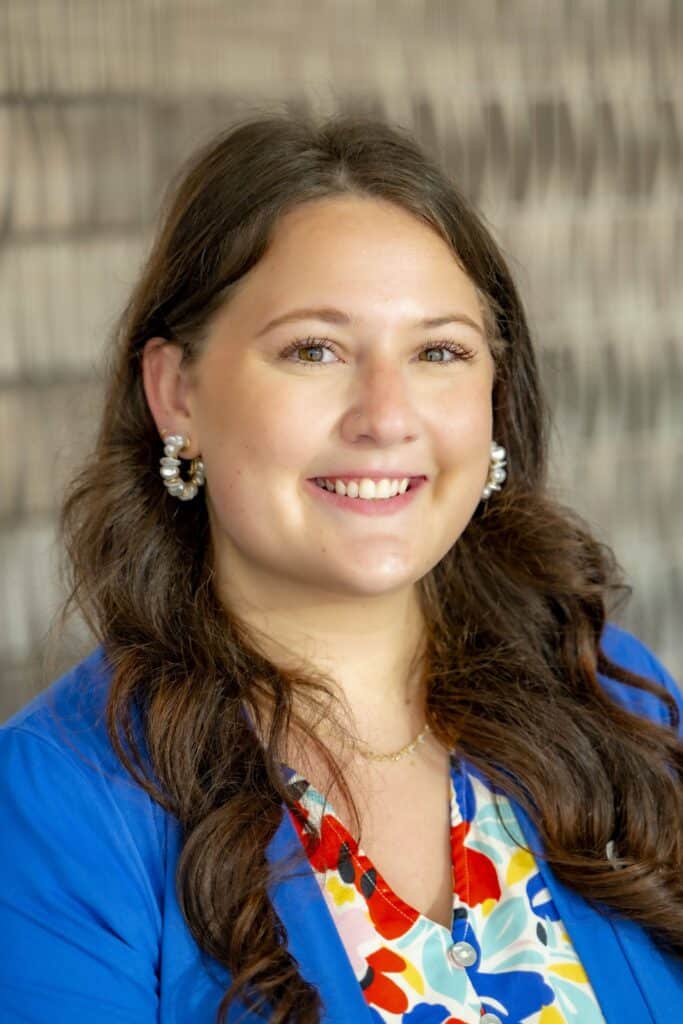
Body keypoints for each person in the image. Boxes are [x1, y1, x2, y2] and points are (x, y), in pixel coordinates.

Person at [0, 109, 681, 1024]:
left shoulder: (619, 703)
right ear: (178, 395)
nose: (386, 416)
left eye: (438, 352)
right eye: (313, 350)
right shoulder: (52, 805)